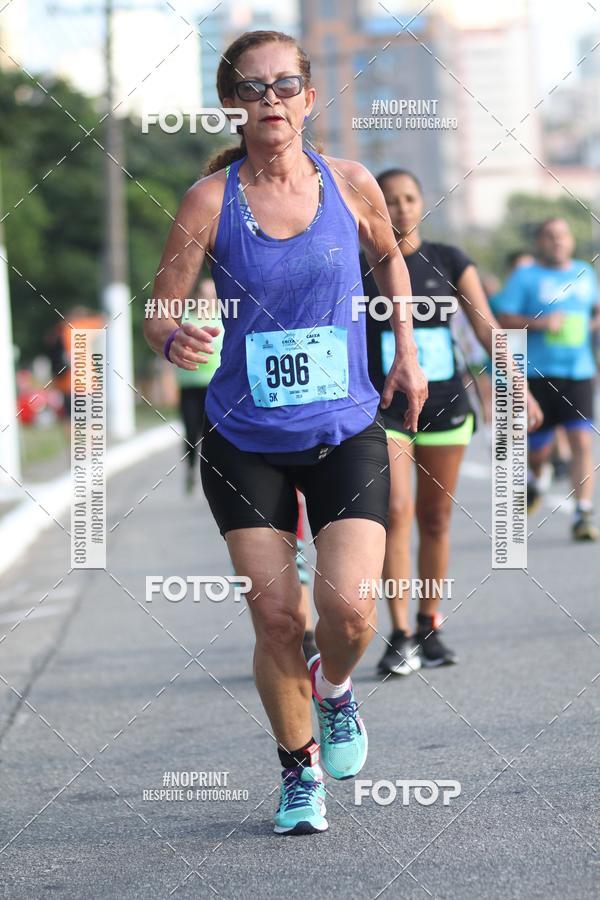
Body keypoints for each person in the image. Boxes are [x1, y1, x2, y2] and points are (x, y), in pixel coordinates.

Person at [143, 30, 428, 836]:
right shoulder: (210, 201)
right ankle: (297, 773)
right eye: (255, 87)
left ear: (309, 97)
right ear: (234, 103)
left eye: (286, 85)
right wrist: (171, 338)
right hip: (242, 439)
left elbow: (390, 258)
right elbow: (160, 307)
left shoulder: (350, 182)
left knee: (349, 615)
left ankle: (334, 687)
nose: (272, 99)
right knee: (275, 618)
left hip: (344, 429)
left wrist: (406, 352)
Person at [361, 169, 544, 677]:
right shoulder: (358, 264)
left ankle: (428, 624)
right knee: (394, 513)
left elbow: (486, 329)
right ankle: (398, 634)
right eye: (389, 200)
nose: (399, 208)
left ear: (422, 203)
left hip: (444, 405)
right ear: (375, 206)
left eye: (408, 198)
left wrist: (518, 386)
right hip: (383, 408)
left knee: (435, 518)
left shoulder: (448, 260)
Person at [495, 217, 600, 540]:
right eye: (550, 236)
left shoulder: (585, 271)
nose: (558, 241)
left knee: (581, 440)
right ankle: (534, 479)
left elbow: (594, 310)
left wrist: (588, 327)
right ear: (539, 242)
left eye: (563, 235)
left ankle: (583, 514)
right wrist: (539, 323)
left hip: (578, 372)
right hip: (535, 374)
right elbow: (503, 316)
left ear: (571, 240)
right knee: (538, 450)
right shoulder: (525, 277)